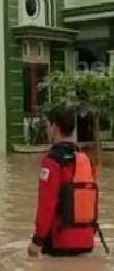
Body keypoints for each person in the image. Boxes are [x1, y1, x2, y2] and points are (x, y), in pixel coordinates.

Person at [28, 106, 109, 257]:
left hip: (59, 243)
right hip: (86, 242)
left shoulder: (52, 162)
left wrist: (37, 241)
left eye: (47, 125)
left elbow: (47, 205)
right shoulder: (85, 160)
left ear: (54, 127)